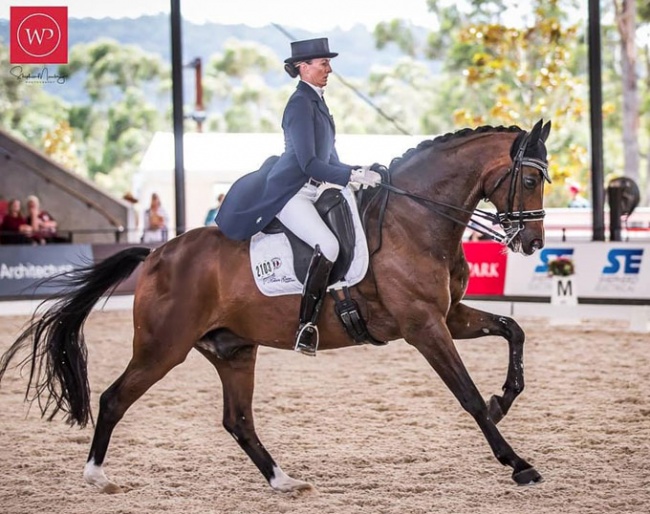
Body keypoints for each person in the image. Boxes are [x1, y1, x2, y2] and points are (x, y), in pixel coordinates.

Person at [215, 37, 382, 356]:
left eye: (328, 63)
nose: (329, 69)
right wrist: (349, 175)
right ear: (303, 68)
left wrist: (359, 170)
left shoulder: (318, 102)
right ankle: (306, 326)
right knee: (329, 245)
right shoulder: (299, 104)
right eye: (323, 63)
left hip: (314, 187)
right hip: (291, 192)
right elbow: (308, 164)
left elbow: (330, 160)